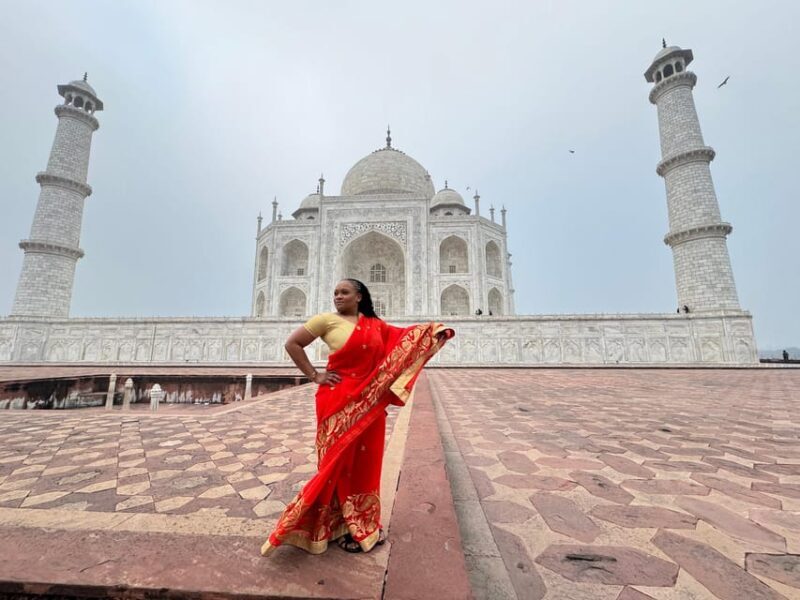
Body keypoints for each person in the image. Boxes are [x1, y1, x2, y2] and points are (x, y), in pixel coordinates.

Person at [260, 279, 453, 556]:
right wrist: (315, 375)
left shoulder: (376, 325)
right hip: (336, 399)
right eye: (335, 292)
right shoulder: (325, 320)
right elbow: (293, 344)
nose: (338, 296)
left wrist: (432, 331)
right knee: (335, 463)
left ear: (359, 296)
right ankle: (328, 523)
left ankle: (361, 524)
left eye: (344, 292)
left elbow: (403, 340)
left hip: (368, 400)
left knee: (365, 461)